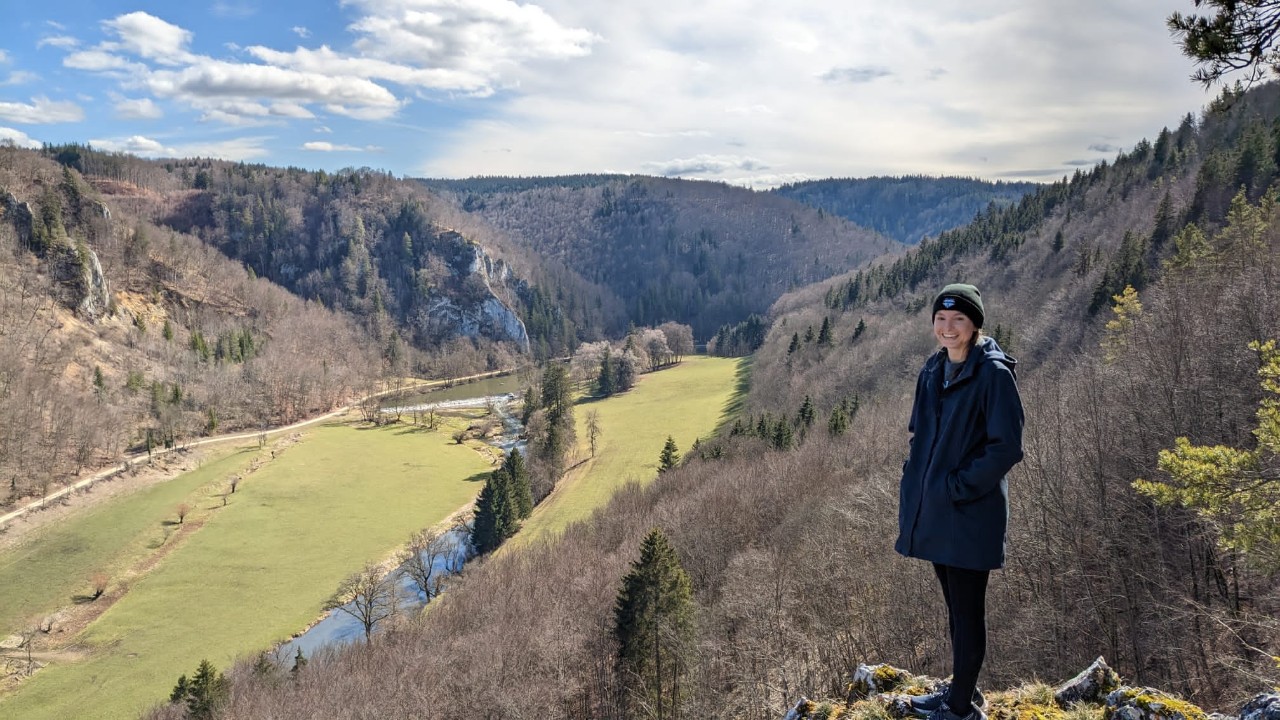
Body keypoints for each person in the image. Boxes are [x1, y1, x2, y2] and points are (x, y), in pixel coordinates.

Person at [895, 283, 1025, 720]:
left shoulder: (993, 374)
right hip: (935, 509)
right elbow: (920, 434)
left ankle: (960, 709)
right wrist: (916, 481)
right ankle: (962, 691)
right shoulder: (934, 368)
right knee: (954, 608)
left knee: (968, 612)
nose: (948, 327)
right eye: (941, 319)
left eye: (959, 319)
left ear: (975, 325)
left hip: (969, 512)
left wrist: (957, 487)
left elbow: (1006, 448)